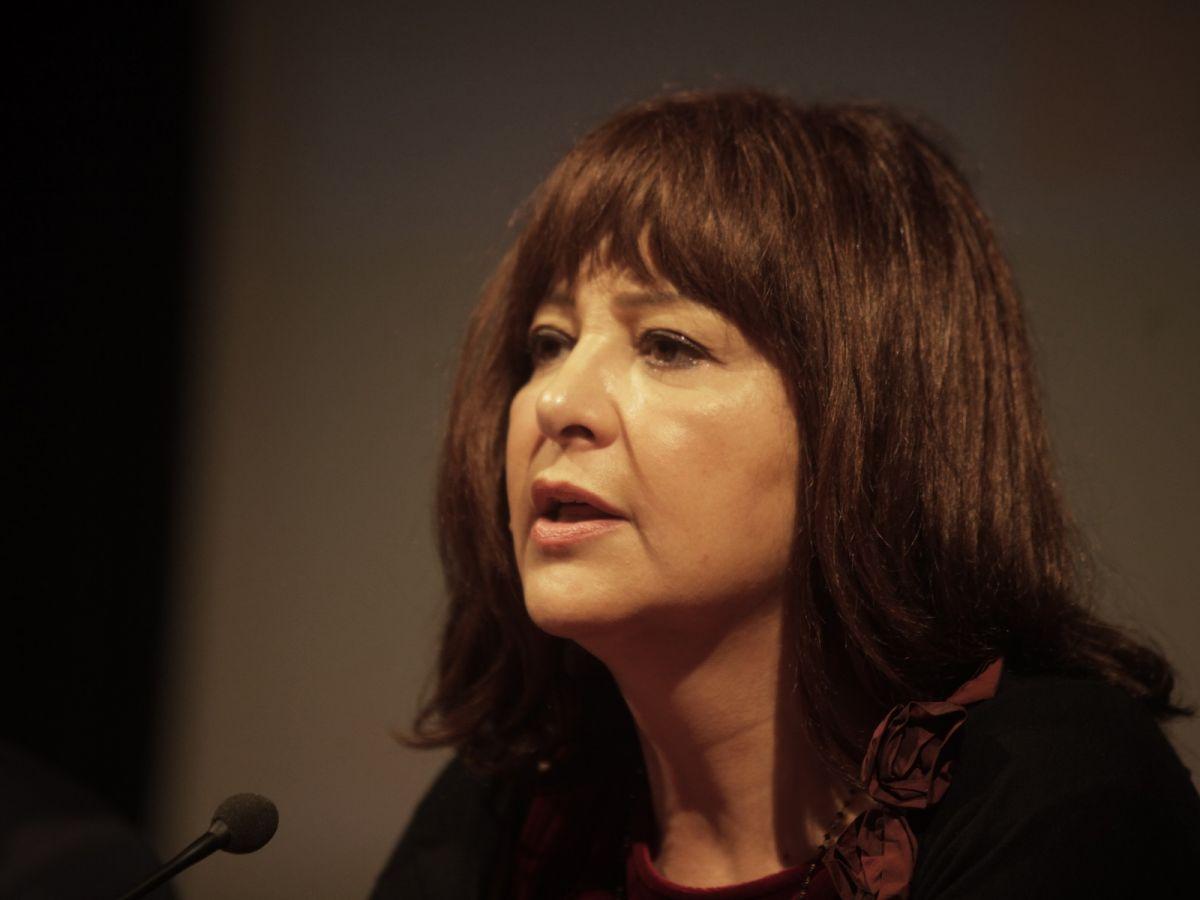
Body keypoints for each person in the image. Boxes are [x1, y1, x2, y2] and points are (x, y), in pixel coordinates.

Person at [370, 89, 1200, 899]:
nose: (556, 401)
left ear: (870, 416)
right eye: (549, 342)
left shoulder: (1056, 793)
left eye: (668, 344)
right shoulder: (512, 817)